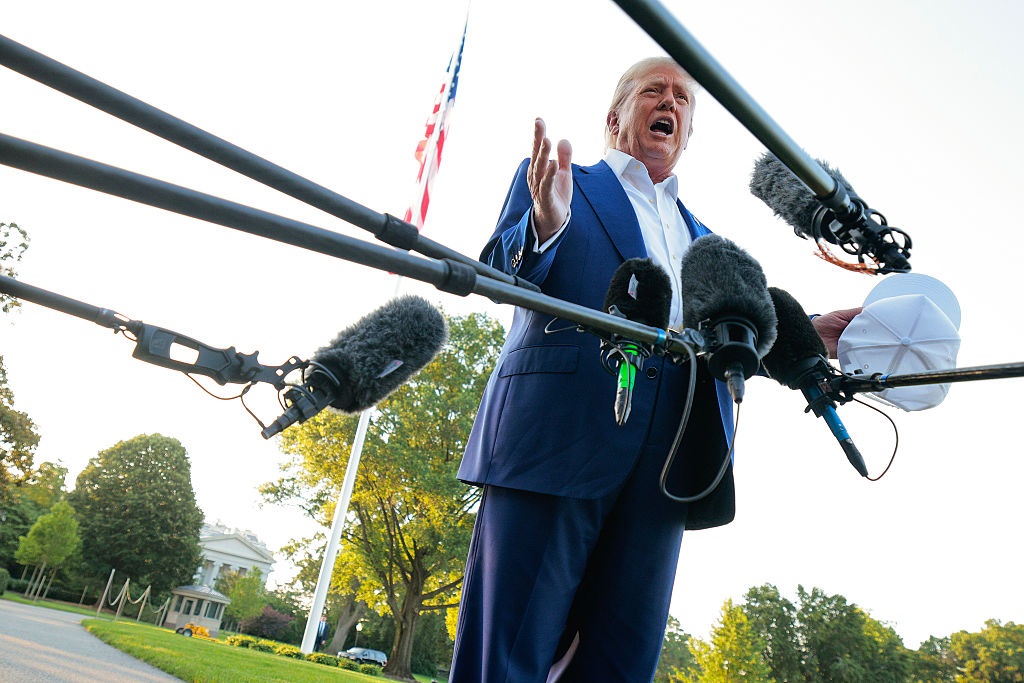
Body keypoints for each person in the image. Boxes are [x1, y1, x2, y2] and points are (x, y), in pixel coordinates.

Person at [449, 57, 856, 682]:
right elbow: (502, 273)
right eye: (654, 91)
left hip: (671, 468)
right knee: (505, 661)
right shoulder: (562, 184)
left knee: (622, 664)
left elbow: (723, 342)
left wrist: (807, 335)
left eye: (683, 99)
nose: (670, 102)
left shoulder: (709, 243)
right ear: (616, 118)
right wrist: (545, 227)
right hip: (556, 442)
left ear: (687, 134)